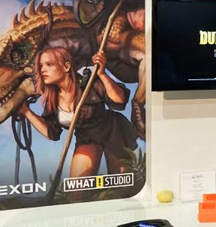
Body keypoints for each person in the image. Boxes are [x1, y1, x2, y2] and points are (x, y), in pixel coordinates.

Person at [19, 46, 138, 178]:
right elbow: (51, 132)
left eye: (49, 64)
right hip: (86, 138)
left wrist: (102, 74)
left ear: (66, 67)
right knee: (77, 185)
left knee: (121, 180)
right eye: (40, 66)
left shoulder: (89, 84)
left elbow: (119, 101)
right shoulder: (52, 100)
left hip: (113, 132)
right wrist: (26, 111)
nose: (42, 70)